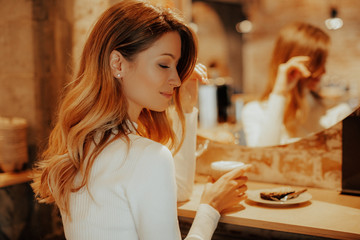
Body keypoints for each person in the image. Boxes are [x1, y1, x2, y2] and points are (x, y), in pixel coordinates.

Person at [31, 1, 250, 239]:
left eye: (177, 66)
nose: (176, 79)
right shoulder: (147, 157)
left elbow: (177, 191)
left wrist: (185, 109)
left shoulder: (80, 147)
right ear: (118, 64)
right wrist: (211, 209)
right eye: (164, 64)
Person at [242, 22, 352, 147]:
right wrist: (280, 92)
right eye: (315, 63)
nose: (323, 71)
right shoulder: (255, 112)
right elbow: (264, 156)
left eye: (324, 62)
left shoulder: (335, 112)